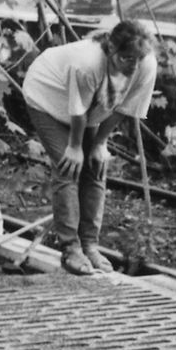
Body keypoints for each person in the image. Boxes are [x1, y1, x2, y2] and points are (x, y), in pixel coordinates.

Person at [20, 20, 158, 275]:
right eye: (127, 58)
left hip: (89, 109)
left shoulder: (146, 65)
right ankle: (71, 249)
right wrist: (74, 146)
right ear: (111, 49)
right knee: (68, 166)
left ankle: (90, 245)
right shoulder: (88, 63)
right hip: (47, 96)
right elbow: (78, 111)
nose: (134, 65)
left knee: (96, 165)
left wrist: (99, 144)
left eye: (138, 59)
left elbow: (124, 109)